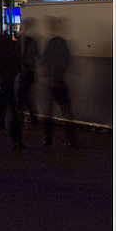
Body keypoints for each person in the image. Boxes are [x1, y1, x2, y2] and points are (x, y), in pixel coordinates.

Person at [40, 16, 79, 147]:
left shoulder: (50, 43)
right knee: (67, 111)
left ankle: (48, 138)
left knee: (49, 113)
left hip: (51, 82)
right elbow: (67, 61)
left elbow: (44, 62)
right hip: (60, 81)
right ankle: (71, 139)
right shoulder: (62, 43)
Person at [0, 31, 24, 148]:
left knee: (1, 104)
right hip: (11, 81)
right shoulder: (14, 48)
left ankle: (1, 121)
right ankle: (17, 138)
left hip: (2, 81)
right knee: (14, 110)